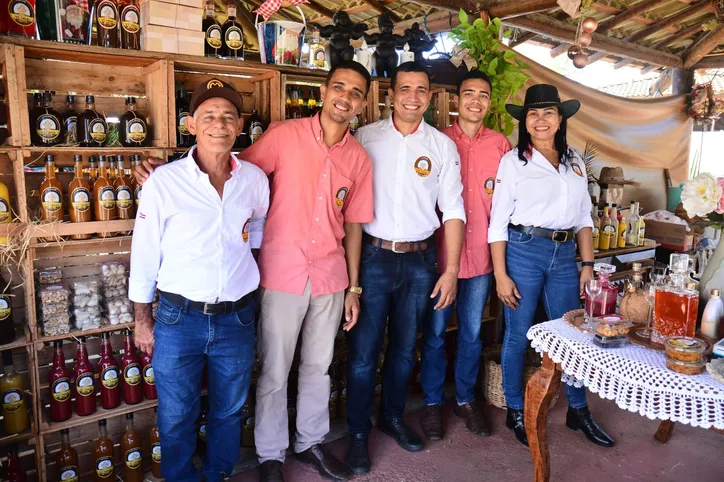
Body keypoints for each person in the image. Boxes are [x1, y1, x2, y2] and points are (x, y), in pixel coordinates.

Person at [134, 61, 374, 482]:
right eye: (339, 87)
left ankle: (310, 442)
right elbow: (226, 162)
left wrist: (353, 286)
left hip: (331, 276)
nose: (346, 97)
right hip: (280, 275)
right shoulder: (283, 136)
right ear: (323, 91)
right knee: (275, 371)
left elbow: (353, 223)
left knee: (319, 366)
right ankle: (271, 455)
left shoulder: (359, 157)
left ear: (363, 102)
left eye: (356, 92)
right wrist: (166, 171)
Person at [129, 78, 270, 482]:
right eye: (208, 115)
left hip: (237, 318)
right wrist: (142, 319)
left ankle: (218, 474)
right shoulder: (164, 181)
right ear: (191, 124)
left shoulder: (254, 180)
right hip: (178, 319)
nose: (219, 124)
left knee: (228, 409)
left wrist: (246, 264)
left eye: (228, 116)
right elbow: (144, 254)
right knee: (175, 414)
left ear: (240, 125)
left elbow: (256, 227)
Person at [345, 62, 466, 475]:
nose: (412, 97)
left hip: (420, 261)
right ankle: (358, 432)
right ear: (390, 95)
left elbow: (453, 210)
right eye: (404, 89)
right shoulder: (364, 138)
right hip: (374, 258)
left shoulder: (441, 147)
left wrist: (449, 272)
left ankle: (392, 416)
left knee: (402, 349)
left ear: (430, 98)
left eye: (420, 90)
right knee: (363, 353)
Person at [488, 84, 614, 448]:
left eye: (548, 113)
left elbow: (584, 217)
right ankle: (515, 409)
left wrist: (587, 264)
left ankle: (578, 409)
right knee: (518, 331)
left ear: (561, 119)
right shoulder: (513, 163)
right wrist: (501, 274)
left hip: (565, 255)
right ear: (524, 122)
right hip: (523, 250)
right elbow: (497, 222)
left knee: (572, 333)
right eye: (533, 114)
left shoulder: (575, 162)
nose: (540, 120)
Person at [420, 70, 511, 441]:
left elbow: (508, 205)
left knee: (473, 332)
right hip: (440, 256)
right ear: (456, 100)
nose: (476, 101)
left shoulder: (502, 146)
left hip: (482, 260)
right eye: (469, 93)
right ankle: (430, 404)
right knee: (436, 333)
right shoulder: (437, 141)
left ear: (490, 102)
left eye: (483, 95)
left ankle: (464, 399)